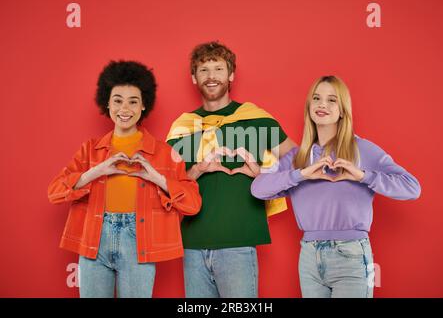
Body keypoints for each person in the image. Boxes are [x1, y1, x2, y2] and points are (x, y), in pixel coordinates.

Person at [251, 75, 421, 298]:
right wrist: (302, 174)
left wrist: (361, 175)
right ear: (309, 107)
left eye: (332, 100)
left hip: (353, 255)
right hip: (310, 256)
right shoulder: (299, 157)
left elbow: (412, 187)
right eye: (317, 98)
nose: (322, 104)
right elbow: (258, 188)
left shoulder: (361, 149)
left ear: (342, 110)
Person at [48, 60, 202, 298]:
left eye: (133, 101)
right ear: (107, 103)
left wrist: (157, 178)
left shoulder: (164, 153)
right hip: (93, 241)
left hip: (138, 244)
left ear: (143, 107)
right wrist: (96, 171)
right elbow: (54, 191)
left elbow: (192, 204)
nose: (124, 108)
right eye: (118, 100)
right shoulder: (90, 150)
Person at [166, 41, 296, 298]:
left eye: (218, 69)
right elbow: (170, 184)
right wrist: (197, 170)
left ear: (231, 75)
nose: (211, 76)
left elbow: (299, 162)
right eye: (203, 70)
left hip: (238, 243)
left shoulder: (256, 119)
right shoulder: (183, 128)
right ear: (194, 78)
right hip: (193, 245)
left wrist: (263, 176)